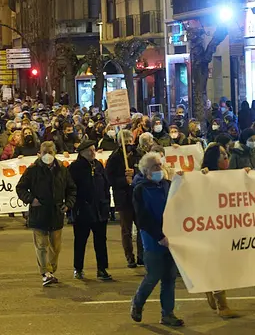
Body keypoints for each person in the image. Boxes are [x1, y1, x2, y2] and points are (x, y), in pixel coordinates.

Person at [130, 152, 184, 327]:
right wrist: (159, 236)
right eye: (155, 166)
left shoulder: (167, 185)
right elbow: (142, 218)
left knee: (169, 278)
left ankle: (167, 313)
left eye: (160, 165)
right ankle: (138, 303)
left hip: (171, 239)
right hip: (154, 241)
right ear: (146, 171)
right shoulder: (140, 189)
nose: (159, 169)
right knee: (153, 276)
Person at [16, 141, 77, 286]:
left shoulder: (62, 169)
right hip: (39, 213)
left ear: (55, 153)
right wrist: (31, 200)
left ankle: (51, 270)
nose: (47, 156)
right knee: (42, 245)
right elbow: (21, 188)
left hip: (56, 213)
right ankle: (45, 273)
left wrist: (68, 204)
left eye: (50, 152)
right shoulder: (33, 170)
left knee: (55, 247)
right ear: (39, 153)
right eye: (44, 152)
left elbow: (71, 189)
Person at [197, 144, 241, 318]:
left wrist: (248, 177)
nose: (225, 157)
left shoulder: (232, 176)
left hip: (229, 228)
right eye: (221, 154)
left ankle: (212, 291)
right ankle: (222, 305)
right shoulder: (203, 176)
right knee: (217, 265)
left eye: (225, 154)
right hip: (212, 229)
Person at [69, 140, 113, 281]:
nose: (93, 152)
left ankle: (102, 269)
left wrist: (106, 202)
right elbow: (70, 189)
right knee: (80, 241)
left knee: (100, 241)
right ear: (82, 152)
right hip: (83, 210)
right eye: (90, 150)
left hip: (100, 209)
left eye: (94, 150)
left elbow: (106, 185)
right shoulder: (75, 168)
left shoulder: (99, 165)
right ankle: (78, 268)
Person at [106, 129, 142, 268]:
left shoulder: (138, 154)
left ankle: (141, 256)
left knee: (141, 227)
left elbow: (144, 171)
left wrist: (135, 173)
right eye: (124, 141)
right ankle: (129, 257)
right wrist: (124, 180)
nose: (127, 144)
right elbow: (109, 178)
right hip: (123, 198)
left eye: (129, 141)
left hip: (137, 197)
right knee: (126, 230)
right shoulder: (114, 158)